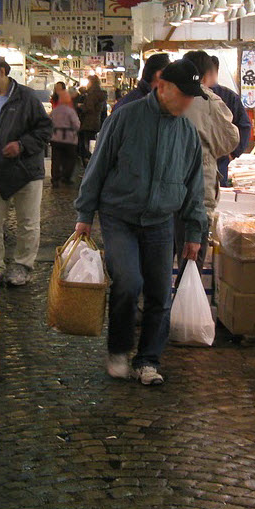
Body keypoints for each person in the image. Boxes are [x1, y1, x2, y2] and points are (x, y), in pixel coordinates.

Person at [75, 60, 208, 387]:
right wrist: (84, 215)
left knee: (160, 293)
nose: (188, 102)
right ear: (162, 87)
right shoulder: (126, 117)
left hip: (160, 221)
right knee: (129, 282)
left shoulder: (187, 132)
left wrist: (194, 231)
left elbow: (195, 187)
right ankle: (119, 350)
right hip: (119, 216)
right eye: (183, 94)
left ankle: (148, 360)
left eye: (193, 96)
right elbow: (98, 166)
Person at [0, 51, 52, 287]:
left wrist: (21, 145)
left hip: (26, 172)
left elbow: (45, 130)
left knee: (28, 222)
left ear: (2, 72)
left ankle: (23, 265)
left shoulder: (27, 98)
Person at [181, 50, 240, 263]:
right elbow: (231, 138)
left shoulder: (166, 98)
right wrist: (211, 149)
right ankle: (186, 295)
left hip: (164, 195)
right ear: (206, 75)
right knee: (193, 252)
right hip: (201, 187)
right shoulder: (209, 100)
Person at [207, 55, 252, 185]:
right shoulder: (230, 95)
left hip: (220, 160)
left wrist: (233, 153)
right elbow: (245, 125)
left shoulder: (229, 96)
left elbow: (244, 126)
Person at [49, 87, 80, 186]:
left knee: (56, 159)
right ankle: (66, 177)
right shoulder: (70, 111)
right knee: (70, 158)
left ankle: (55, 178)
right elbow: (76, 124)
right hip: (69, 139)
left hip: (55, 138)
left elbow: (49, 123)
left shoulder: (55, 111)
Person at [76, 75, 107, 164]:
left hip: (88, 123)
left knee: (87, 146)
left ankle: (88, 164)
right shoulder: (100, 94)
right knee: (92, 144)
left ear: (91, 83)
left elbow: (89, 108)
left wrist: (80, 106)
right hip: (96, 123)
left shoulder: (92, 94)